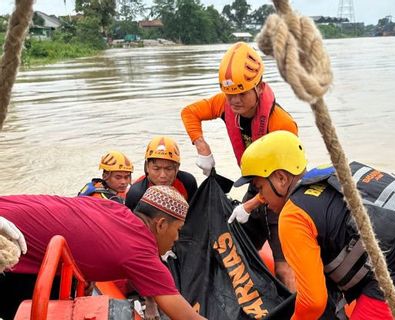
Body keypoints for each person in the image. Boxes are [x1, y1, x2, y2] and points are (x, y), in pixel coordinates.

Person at [233, 131, 395, 320]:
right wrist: (250, 206)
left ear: (281, 179)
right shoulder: (327, 174)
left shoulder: (292, 216)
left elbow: (313, 303)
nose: (260, 196)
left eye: (259, 188)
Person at [180, 42, 298, 289]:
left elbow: (285, 183)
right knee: (234, 250)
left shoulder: (282, 124)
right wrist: (202, 146)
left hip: (282, 196)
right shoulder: (225, 104)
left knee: (284, 268)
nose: (234, 100)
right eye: (229, 93)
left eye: (242, 93)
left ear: (260, 87)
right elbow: (189, 112)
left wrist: (251, 205)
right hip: (256, 186)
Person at [0, 186, 205, 320]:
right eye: (178, 231)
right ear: (160, 225)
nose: (177, 239)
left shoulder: (115, 208)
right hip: (6, 242)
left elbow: (80, 231)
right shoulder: (139, 251)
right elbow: (186, 316)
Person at [125, 136, 198, 211]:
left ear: (177, 168)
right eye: (156, 169)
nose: (163, 175)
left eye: (168, 169)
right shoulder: (136, 193)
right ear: (147, 167)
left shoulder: (188, 182)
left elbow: (195, 212)